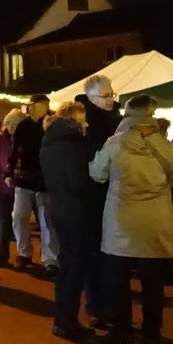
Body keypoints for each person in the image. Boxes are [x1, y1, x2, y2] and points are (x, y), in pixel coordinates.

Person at [88, 94, 173, 344]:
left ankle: (121, 331)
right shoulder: (164, 145)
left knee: (118, 279)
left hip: (122, 220)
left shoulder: (114, 143)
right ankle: (152, 333)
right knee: (152, 282)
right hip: (155, 220)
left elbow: (97, 174)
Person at [40, 101, 98, 340]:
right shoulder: (72, 144)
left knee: (68, 266)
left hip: (59, 207)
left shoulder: (50, 142)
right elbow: (78, 182)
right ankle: (67, 322)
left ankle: (63, 319)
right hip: (75, 210)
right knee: (74, 268)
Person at [74, 75, 121, 325]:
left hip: (116, 196)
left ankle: (109, 304)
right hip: (94, 199)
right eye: (106, 96)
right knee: (96, 254)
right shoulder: (86, 126)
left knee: (113, 256)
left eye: (112, 94)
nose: (111, 100)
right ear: (91, 97)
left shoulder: (118, 122)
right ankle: (97, 306)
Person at [11, 94, 59, 274]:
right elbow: (14, 150)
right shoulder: (23, 125)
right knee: (19, 217)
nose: (30, 107)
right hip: (23, 179)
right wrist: (10, 172)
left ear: (44, 106)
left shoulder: (52, 124)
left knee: (47, 221)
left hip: (44, 181)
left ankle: (50, 259)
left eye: (33, 104)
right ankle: (23, 253)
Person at [0, 115, 18, 266]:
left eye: (16, 123)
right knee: (4, 219)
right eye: (10, 123)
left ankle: (23, 253)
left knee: (19, 220)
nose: (12, 126)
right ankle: (3, 254)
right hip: (3, 185)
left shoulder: (22, 139)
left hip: (21, 184)